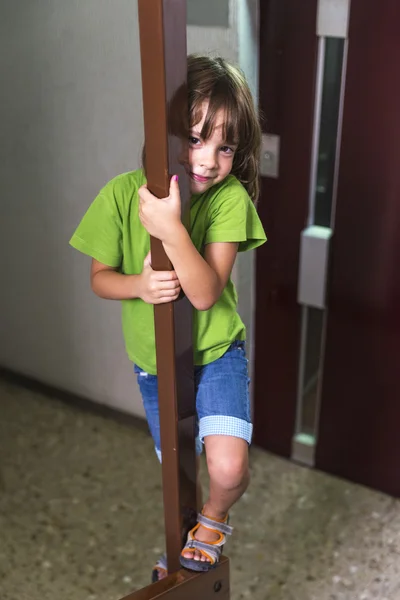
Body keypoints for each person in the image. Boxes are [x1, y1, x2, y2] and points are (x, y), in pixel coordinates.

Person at [69, 54, 267, 578]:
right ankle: (180, 546)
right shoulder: (118, 194)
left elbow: (204, 294)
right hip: (156, 366)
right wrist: (138, 284)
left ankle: (214, 520)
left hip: (218, 353)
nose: (207, 159)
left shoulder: (229, 199)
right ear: (164, 133)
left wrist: (170, 228)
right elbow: (99, 278)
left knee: (228, 468)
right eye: (195, 137)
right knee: (178, 479)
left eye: (225, 146)